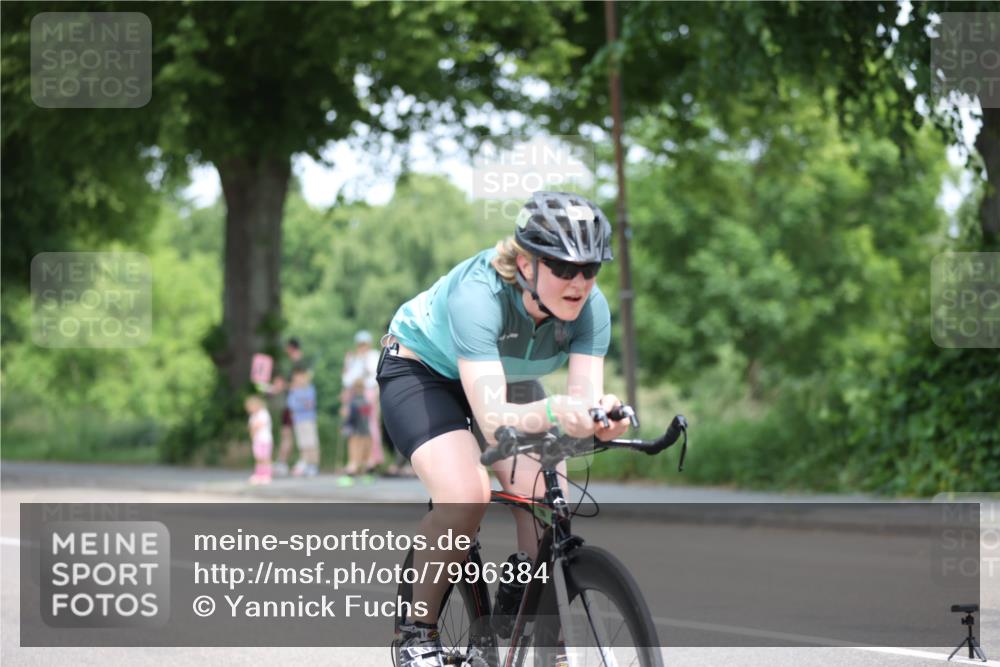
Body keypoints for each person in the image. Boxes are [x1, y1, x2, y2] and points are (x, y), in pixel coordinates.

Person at [378, 191, 631, 667]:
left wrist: (601, 421)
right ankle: (418, 631)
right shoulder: (479, 294)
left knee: (543, 497)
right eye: (562, 267)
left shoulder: (591, 309)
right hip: (423, 371)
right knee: (466, 494)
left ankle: (527, 602)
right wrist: (560, 411)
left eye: (590, 269)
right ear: (526, 262)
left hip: (503, 376)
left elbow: (580, 403)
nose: (579, 283)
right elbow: (495, 422)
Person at [340, 330, 383, 472]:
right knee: (354, 427)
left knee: (369, 426)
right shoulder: (353, 358)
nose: (362, 347)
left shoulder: (373, 356)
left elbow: (375, 377)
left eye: (364, 344)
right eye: (360, 344)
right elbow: (347, 380)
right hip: (355, 395)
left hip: (368, 395)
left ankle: (371, 459)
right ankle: (355, 461)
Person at [270, 337, 310, 476]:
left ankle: (294, 462)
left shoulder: (299, 364)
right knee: (287, 433)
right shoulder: (295, 364)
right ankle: (283, 462)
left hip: (295, 405)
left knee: (293, 434)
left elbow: (301, 383)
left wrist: (282, 386)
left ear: (291, 348)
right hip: (291, 403)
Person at [337, 378, 374, 485]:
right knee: (367, 456)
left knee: (354, 456)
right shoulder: (367, 402)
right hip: (367, 432)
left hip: (356, 433)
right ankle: (369, 476)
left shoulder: (353, 403)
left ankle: (349, 477)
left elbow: (352, 419)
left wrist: (344, 424)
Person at [287, 367, 320, 477]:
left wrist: (300, 404)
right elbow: (291, 404)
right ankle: (304, 463)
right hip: (298, 420)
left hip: (308, 419)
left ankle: (313, 465)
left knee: (311, 443)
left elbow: (309, 404)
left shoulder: (310, 389)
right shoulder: (294, 390)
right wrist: (301, 404)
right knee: (302, 444)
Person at [244, 395, 273, 485]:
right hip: (257, 440)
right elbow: (250, 428)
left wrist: (253, 428)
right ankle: (259, 474)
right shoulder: (253, 416)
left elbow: (257, 425)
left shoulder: (263, 413)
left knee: (266, 457)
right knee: (258, 458)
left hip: (265, 440)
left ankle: (267, 475)